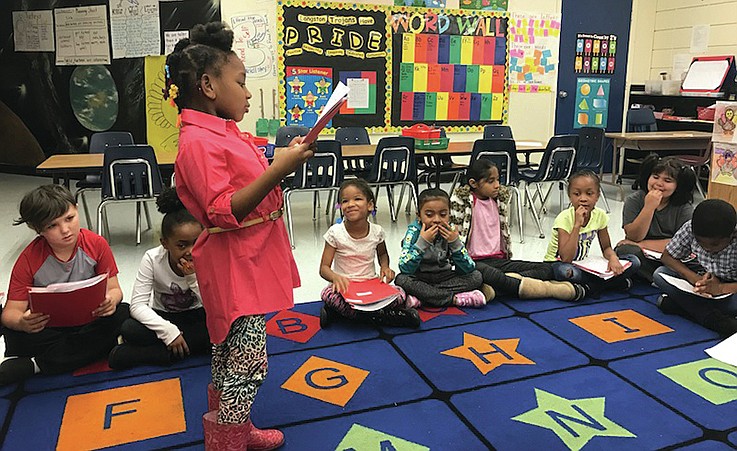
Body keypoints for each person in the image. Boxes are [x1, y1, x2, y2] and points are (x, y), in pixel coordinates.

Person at [167, 22, 314, 450]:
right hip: (235, 263)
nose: (248, 93)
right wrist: (278, 169)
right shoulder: (197, 142)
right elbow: (223, 210)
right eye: (242, 83)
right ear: (209, 85)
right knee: (246, 358)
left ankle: (235, 426)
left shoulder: (223, 131)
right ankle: (227, 440)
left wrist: (281, 160)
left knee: (231, 351)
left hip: (248, 257)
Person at [0, 185, 128, 386]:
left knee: (123, 312)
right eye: (52, 226)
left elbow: (114, 289)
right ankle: (99, 350)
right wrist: (22, 322)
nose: (65, 230)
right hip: (51, 328)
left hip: (90, 321)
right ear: (38, 229)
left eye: (70, 218)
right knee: (14, 334)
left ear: (77, 209)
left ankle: (37, 365)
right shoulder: (29, 258)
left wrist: (111, 300)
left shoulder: (97, 244)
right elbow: (10, 314)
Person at [450, 159, 586, 301]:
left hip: (499, 260)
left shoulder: (499, 201)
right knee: (482, 274)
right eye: (491, 181)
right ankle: (550, 290)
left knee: (546, 269)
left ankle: (497, 287)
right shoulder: (462, 202)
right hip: (473, 262)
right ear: (473, 183)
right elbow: (456, 239)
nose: (497, 185)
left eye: (498, 180)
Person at [108, 187, 209, 369]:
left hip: (196, 316)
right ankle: (178, 349)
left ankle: (145, 355)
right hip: (163, 317)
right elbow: (138, 305)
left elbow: (214, 305)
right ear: (165, 244)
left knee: (224, 330)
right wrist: (168, 331)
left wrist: (192, 279)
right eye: (181, 245)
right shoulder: (152, 259)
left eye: (196, 242)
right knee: (130, 329)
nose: (191, 252)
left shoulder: (206, 257)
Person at [319, 179, 420, 328]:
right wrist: (335, 277)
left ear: (370, 205)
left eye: (357, 199)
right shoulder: (335, 233)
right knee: (328, 295)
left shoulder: (377, 232)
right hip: (345, 288)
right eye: (345, 201)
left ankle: (348, 315)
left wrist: (385, 267)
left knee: (399, 294)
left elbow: (382, 255)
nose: (350, 204)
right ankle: (383, 316)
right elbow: (324, 268)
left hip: (371, 285)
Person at [544, 170, 640, 295]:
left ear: (597, 196)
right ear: (570, 196)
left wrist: (613, 258)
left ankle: (591, 285)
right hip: (558, 264)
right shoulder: (564, 218)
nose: (583, 199)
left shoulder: (600, 215)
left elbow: (606, 247)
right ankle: (606, 284)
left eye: (589, 194)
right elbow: (566, 258)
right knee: (566, 272)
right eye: (577, 194)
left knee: (634, 261)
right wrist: (577, 225)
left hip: (583, 264)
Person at [654, 199, 737, 337]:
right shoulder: (691, 228)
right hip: (706, 283)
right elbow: (667, 256)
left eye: (715, 244)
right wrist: (695, 279)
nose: (707, 248)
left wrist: (721, 289)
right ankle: (710, 316)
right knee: (660, 274)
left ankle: (690, 310)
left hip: (732, 290)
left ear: (732, 235)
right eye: (700, 243)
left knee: (732, 305)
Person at [395, 188, 489, 308]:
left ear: (449, 214)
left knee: (476, 276)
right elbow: (405, 268)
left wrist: (455, 243)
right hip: (421, 277)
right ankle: (454, 299)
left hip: (445, 276)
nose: (437, 220)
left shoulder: (450, 230)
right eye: (429, 215)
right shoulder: (413, 232)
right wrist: (422, 243)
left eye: (443, 214)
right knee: (402, 279)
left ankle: (424, 298)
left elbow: (468, 268)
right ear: (419, 216)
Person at [616, 155, 696, 282]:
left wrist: (641, 244)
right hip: (643, 255)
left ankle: (655, 277)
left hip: (671, 257)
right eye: (655, 177)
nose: (659, 184)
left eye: (667, 180)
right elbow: (633, 237)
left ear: (677, 186)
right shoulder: (634, 200)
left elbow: (682, 245)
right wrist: (649, 207)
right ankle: (659, 278)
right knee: (625, 250)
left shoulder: (684, 208)